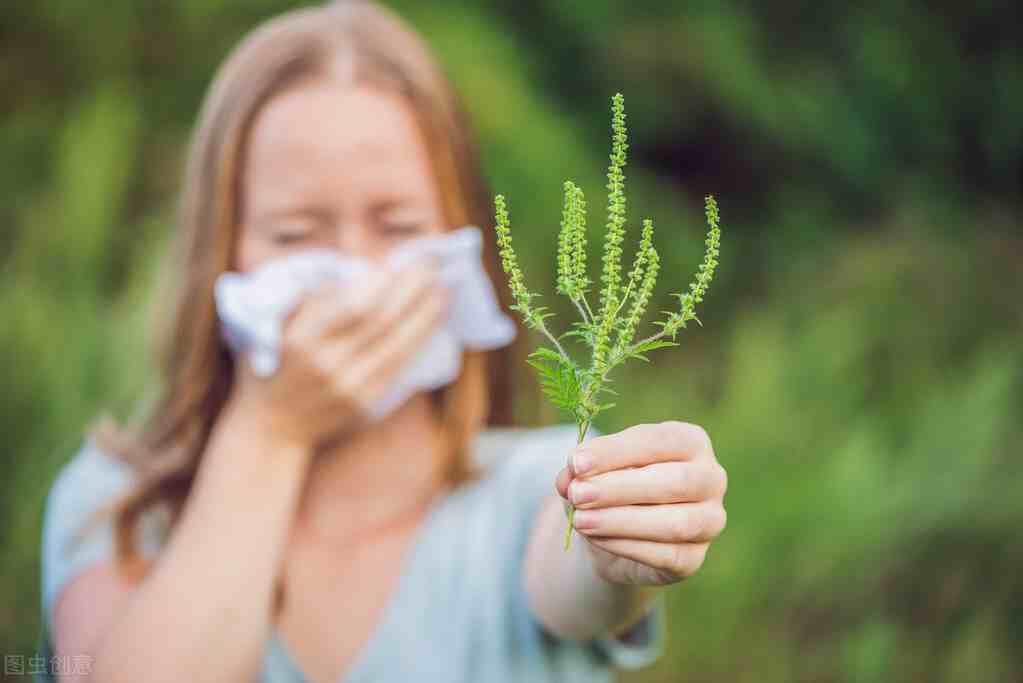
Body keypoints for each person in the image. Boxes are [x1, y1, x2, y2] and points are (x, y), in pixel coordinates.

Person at [37, 2, 728, 682]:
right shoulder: (117, 503)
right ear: (221, 250)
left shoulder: (532, 485)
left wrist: (620, 546)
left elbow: (577, 573)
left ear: (463, 237)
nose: (357, 276)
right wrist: (270, 428)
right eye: (295, 235)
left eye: (397, 226)